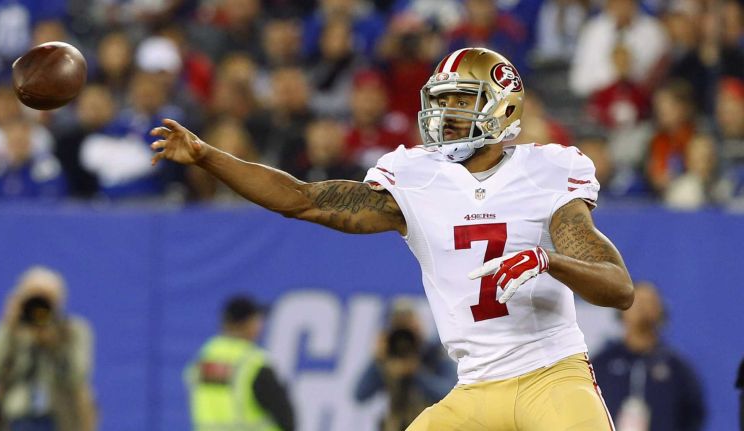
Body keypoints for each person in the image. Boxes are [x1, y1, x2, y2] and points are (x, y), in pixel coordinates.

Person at [152, 47, 634, 430]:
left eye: (461, 100)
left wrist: (547, 261)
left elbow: (618, 288)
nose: (446, 113)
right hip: (476, 386)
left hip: (550, 375)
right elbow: (302, 199)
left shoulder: (547, 171)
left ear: (501, 105)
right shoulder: (416, 175)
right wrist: (208, 156)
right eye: (441, 101)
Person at [0, 266, 96, 431]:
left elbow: (78, 375)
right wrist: (7, 326)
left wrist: (54, 344)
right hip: (15, 419)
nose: (38, 306)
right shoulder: (13, 331)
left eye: (45, 298)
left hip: (60, 420)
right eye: (33, 296)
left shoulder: (73, 331)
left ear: (58, 300)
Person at [591, 282, 706, 431]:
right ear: (621, 311)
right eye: (636, 301)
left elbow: (693, 415)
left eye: (649, 302)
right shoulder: (601, 365)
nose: (642, 308)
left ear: (661, 311)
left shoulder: (677, 370)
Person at [184, 295, 294, 431]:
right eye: (257, 320)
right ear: (248, 323)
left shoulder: (203, 359)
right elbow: (285, 417)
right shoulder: (253, 364)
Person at [355, 299, 457, 431]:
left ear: (419, 325)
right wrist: (377, 359)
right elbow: (360, 395)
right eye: (399, 325)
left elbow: (449, 395)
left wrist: (416, 373)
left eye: (408, 323)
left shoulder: (433, 354)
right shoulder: (389, 359)